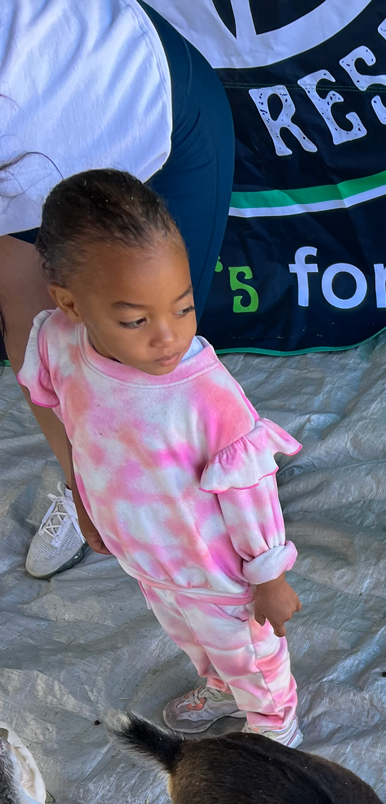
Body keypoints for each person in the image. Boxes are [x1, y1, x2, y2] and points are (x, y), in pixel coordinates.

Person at [18, 169, 304, 746]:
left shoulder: (207, 396)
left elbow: (250, 493)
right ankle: (222, 689)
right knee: (190, 639)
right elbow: (54, 407)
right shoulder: (56, 341)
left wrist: (269, 576)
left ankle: (279, 737)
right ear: (69, 303)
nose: (168, 337)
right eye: (135, 320)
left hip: (220, 575)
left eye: (183, 307)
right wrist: (82, 499)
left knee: (252, 657)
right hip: (147, 559)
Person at [0, 0, 234, 580]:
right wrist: (90, 482)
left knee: (157, 348)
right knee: (37, 336)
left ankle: (223, 479)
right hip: (31, 157)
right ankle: (90, 486)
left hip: (140, 103)